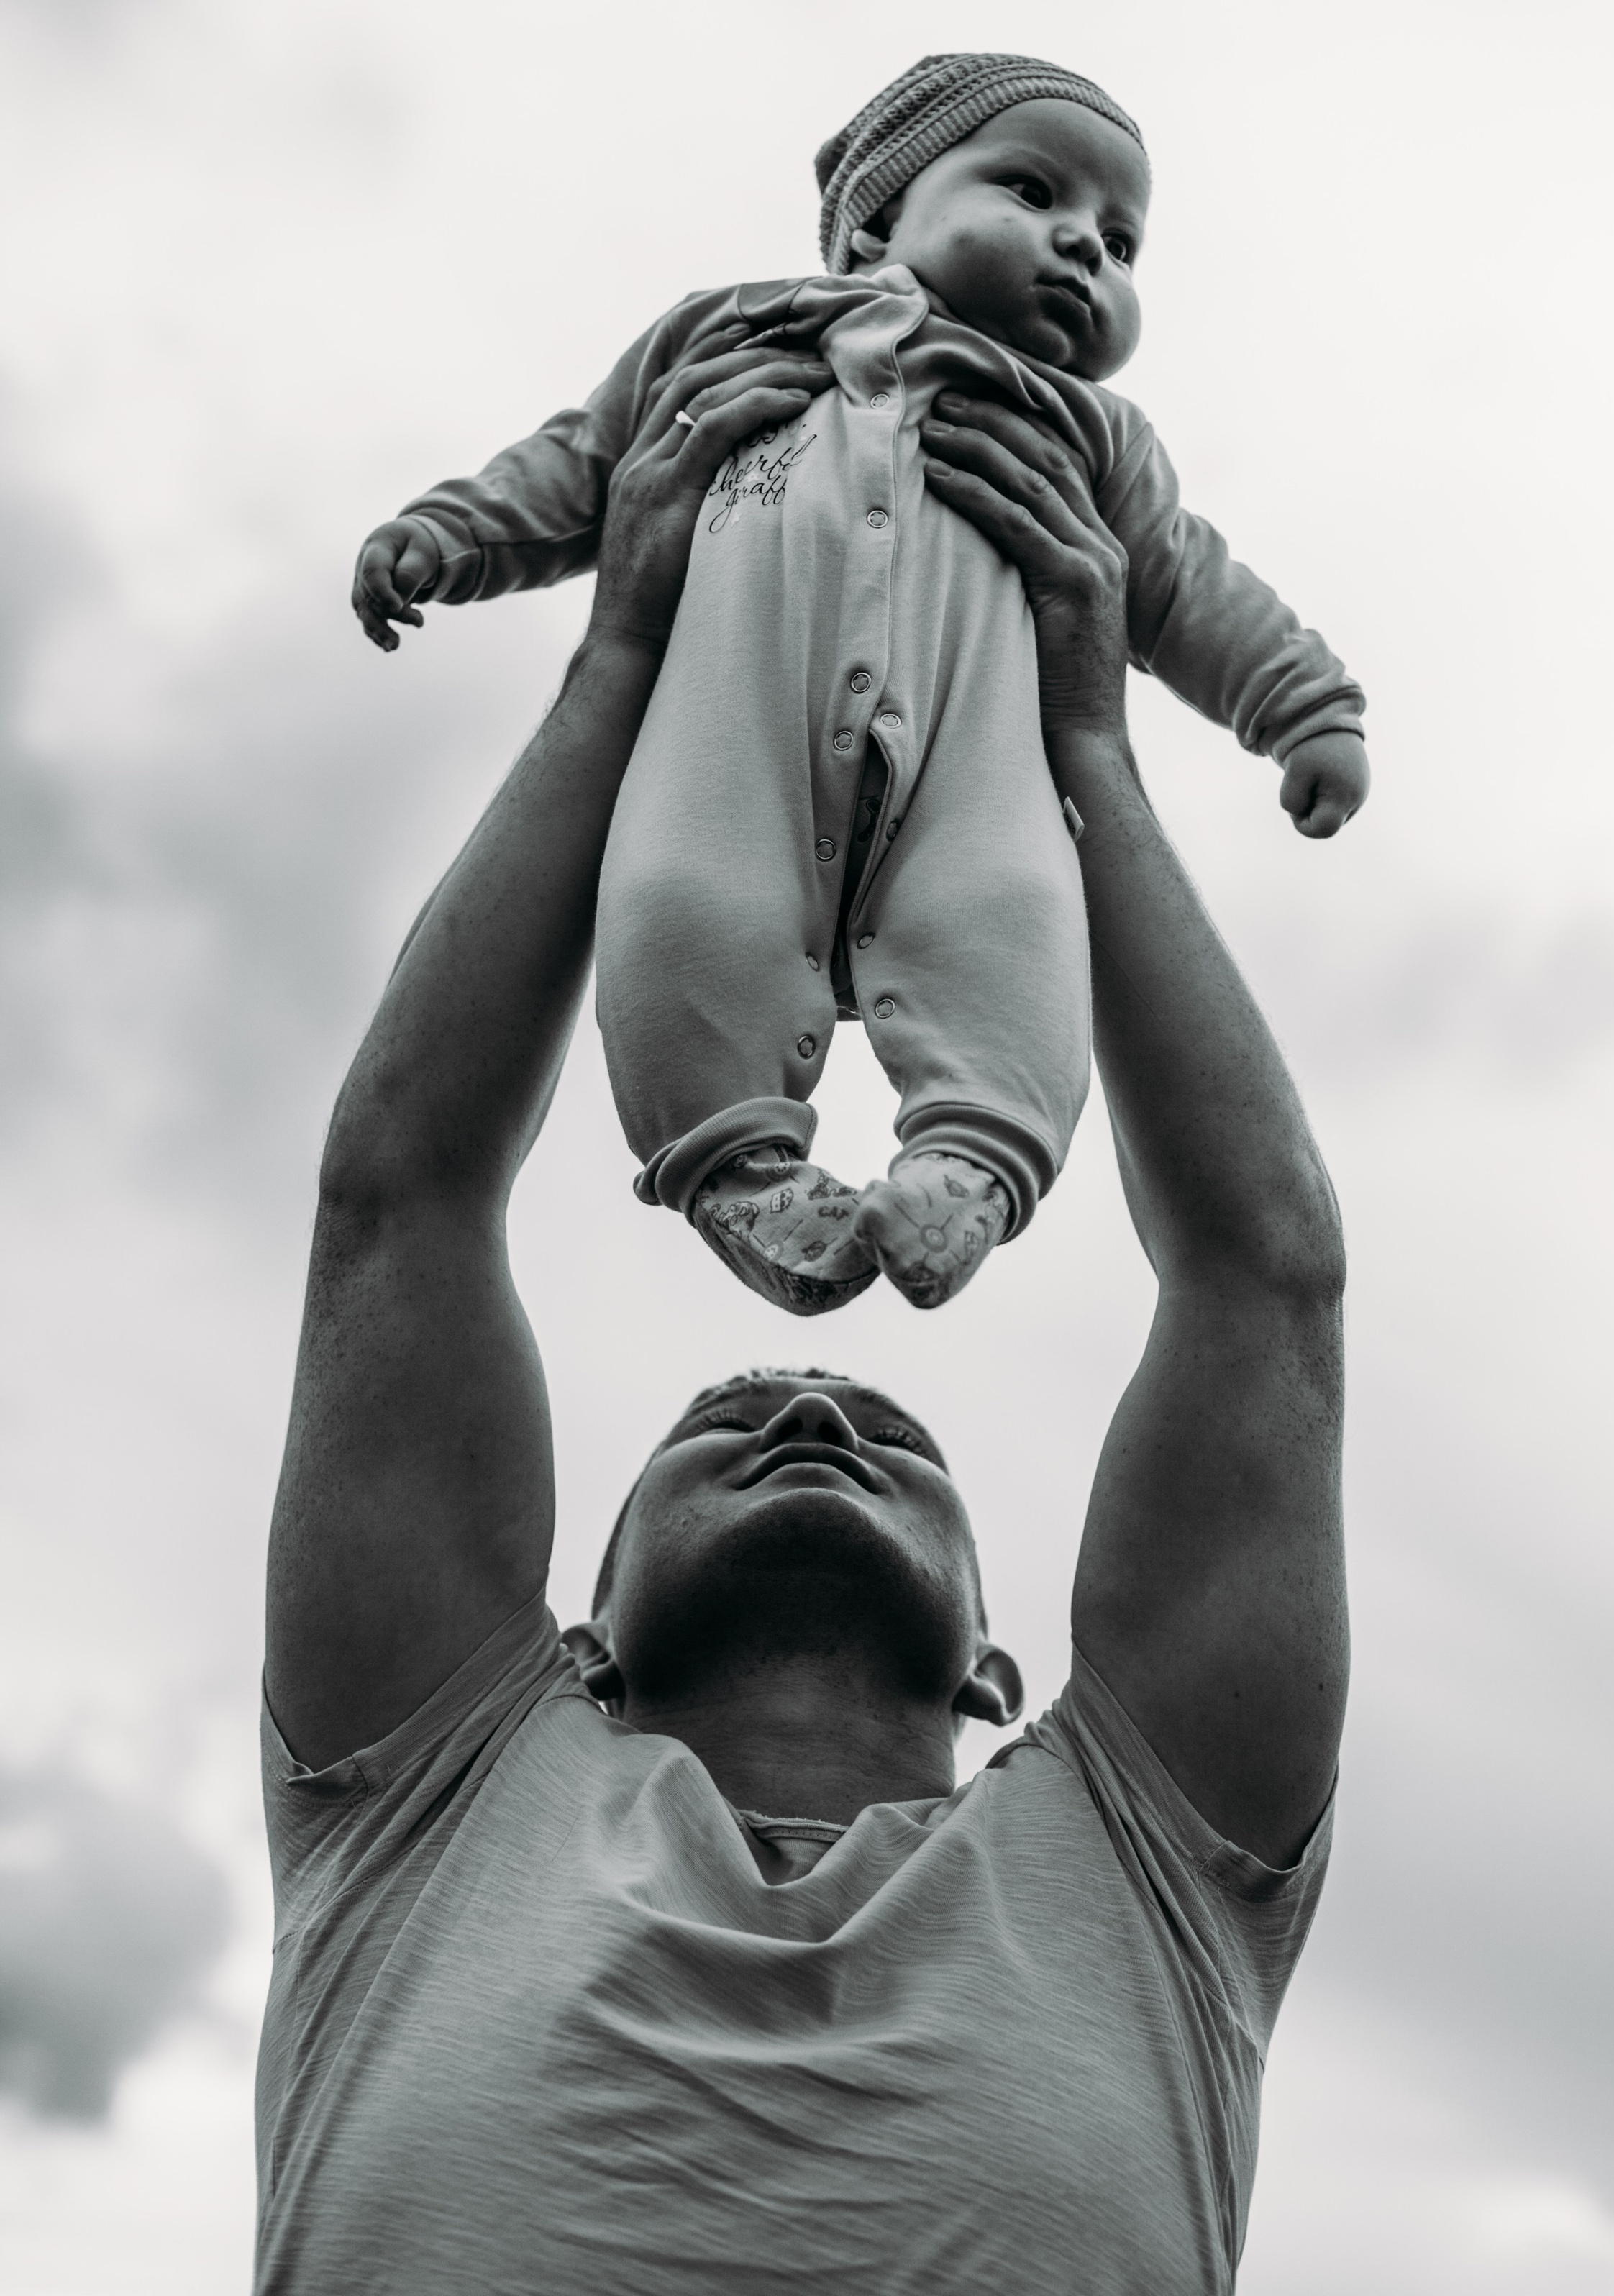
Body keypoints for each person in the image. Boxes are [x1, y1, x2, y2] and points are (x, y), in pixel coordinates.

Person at [261, 350, 1349, 2295]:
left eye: (887, 1439)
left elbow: (1264, 1280)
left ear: (999, 1669)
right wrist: (624, 659)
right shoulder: (421, 1791)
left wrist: (1086, 750)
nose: (817, 1409)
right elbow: (397, 1197)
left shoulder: (1153, 1866)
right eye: (728, 1426)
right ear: (575, 1640)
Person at [347, 54, 1367, 1316]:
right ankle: (739, 1169)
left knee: (1016, 918)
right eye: (1034, 191)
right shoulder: (723, 340)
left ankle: (974, 1160)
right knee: (677, 900)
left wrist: (1305, 707)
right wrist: (447, 535)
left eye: (1121, 243)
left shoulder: (1091, 437)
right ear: (878, 220)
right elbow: (577, 465)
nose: (1083, 247)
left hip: (972, 768)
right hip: (735, 748)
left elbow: (1189, 582)